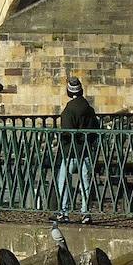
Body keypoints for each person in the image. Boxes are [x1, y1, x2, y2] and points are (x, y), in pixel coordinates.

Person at [55, 77, 99, 224]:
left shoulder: (69, 110)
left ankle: (63, 212)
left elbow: (67, 131)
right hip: (85, 151)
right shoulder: (89, 109)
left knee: (64, 181)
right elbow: (95, 130)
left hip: (70, 152)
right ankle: (86, 212)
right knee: (85, 182)